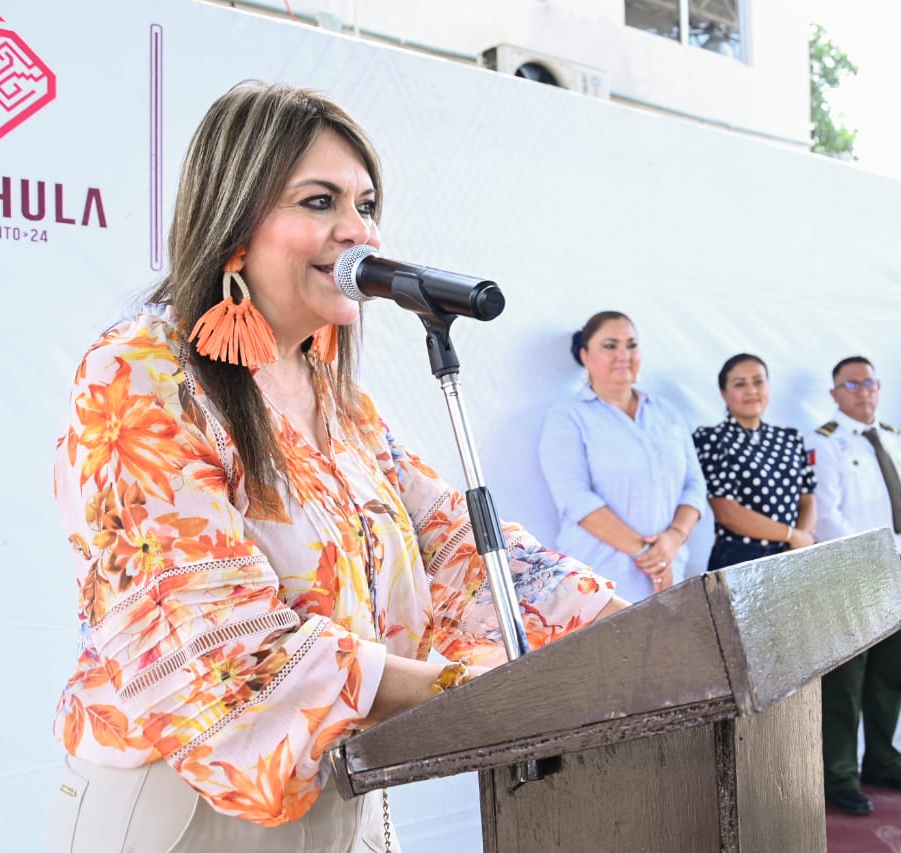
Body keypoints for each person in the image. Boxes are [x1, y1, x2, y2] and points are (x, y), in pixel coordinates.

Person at [47, 82, 624, 853]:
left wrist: (641, 635)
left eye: (367, 204)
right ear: (234, 222)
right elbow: (219, 646)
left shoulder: (340, 401)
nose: (358, 232)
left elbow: (458, 550)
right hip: (185, 809)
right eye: (319, 201)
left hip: (341, 792)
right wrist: (468, 692)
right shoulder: (140, 373)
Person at [810, 356, 901, 816]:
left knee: (889, 673)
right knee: (845, 682)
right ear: (834, 393)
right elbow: (826, 515)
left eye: (870, 382)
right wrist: (880, 557)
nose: (863, 391)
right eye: (852, 384)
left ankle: (883, 759)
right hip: (852, 575)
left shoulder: (894, 438)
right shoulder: (824, 442)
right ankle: (839, 774)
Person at [539, 311, 705, 602]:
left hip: (669, 574)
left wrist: (673, 539)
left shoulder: (665, 411)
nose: (623, 355)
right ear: (585, 355)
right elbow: (575, 498)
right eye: (610, 346)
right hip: (598, 583)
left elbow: (694, 485)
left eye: (631, 345)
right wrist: (648, 554)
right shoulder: (568, 416)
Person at [691, 353, 816, 571]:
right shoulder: (712, 438)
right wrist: (791, 535)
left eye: (758, 382)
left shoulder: (790, 438)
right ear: (724, 394)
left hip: (794, 555)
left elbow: (807, 498)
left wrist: (801, 540)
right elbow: (727, 513)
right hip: (740, 560)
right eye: (740, 384)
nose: (751, 390)